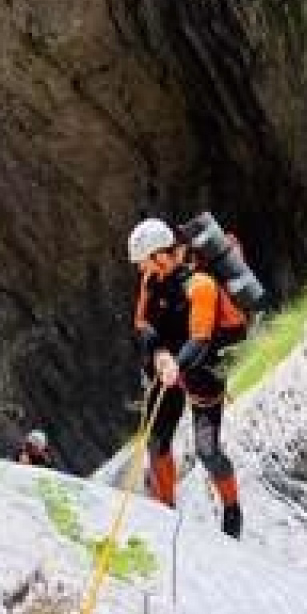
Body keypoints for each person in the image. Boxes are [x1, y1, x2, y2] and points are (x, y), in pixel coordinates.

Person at [127, 216, 247, 538]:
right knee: (156, 442)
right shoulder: (152, 280)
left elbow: (201, 339)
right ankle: (167, 511)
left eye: (144, 262)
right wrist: (160, 356)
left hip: (201, 370)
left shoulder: (202, 285)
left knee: (208, 451)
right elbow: (146, 326)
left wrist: (175, 365)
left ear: (160, 256)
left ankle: (232, 509)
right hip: (168, 366)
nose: (141, 270)